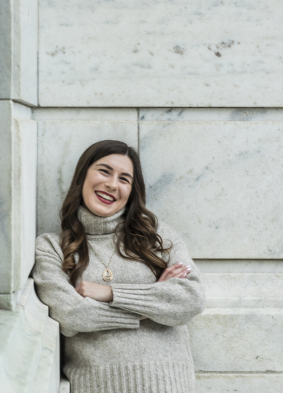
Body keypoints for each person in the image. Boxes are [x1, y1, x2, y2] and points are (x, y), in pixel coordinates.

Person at [32, 140, 205, 393]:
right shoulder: (52, 246)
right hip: (96, 385)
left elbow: (192, 299)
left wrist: (110, 294)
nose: (112, 184)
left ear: (132, 190)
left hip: (169, 383)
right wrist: (154, 305)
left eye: (124, 179)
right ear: (83, 175)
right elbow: (71, 315)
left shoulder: (156, 236)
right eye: (104, 171)